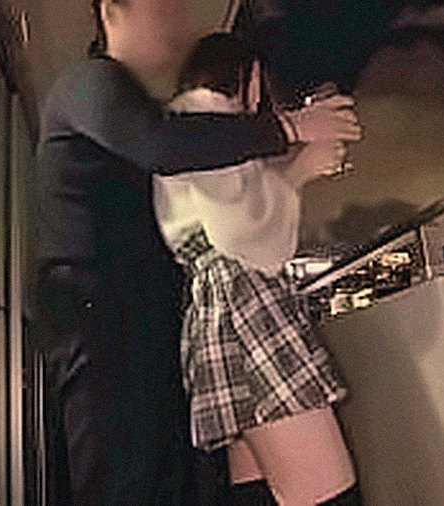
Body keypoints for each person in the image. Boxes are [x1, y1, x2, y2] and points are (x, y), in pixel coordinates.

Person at [33, 0, 362, 504]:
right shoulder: (91, 84)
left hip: (144, 326)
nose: (174, 18)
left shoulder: (149, 111)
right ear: (110, 10)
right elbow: (165, 148)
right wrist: (291, 130)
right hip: (111, 330)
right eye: (159, 6)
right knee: (128, 483)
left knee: (189, 486)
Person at [153, 33, 361, 506]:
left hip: (221, 308)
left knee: (259, 493)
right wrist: (301, 170)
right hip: (246, 304)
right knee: (329, 495)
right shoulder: (206, 114)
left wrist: (296, 171)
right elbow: (242, 234)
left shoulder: (191, 124)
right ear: (248, 79)